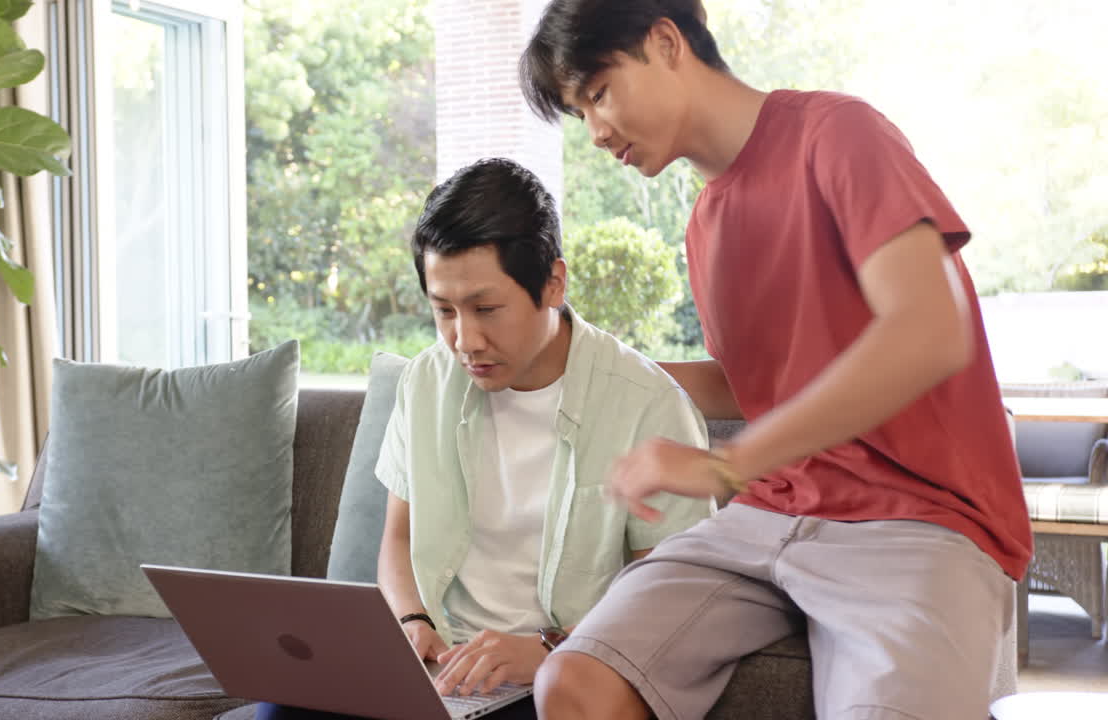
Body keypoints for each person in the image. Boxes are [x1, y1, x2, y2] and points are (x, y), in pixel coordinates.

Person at [517, 2, 1032, 719]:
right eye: (581, 114)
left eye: (599, 93)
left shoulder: (838, 133)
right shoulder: (704, 225)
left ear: (665, 41)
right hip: (770, 514)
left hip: (920, 517)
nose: (596, 132)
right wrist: (582, 367)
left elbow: (931, 329)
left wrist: (728, 464)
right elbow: (759, 384)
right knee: (572, 683)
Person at [255, 158, 711, 720]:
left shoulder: (650, 404)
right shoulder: (425, 381)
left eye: (486, 309)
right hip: (443, 664)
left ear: (553, 283)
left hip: (564, 672)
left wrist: (547, 651)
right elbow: (398, 537)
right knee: (282, 707)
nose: (465, 340)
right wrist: (412, 621)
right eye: (444, 311)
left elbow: (669, 603)